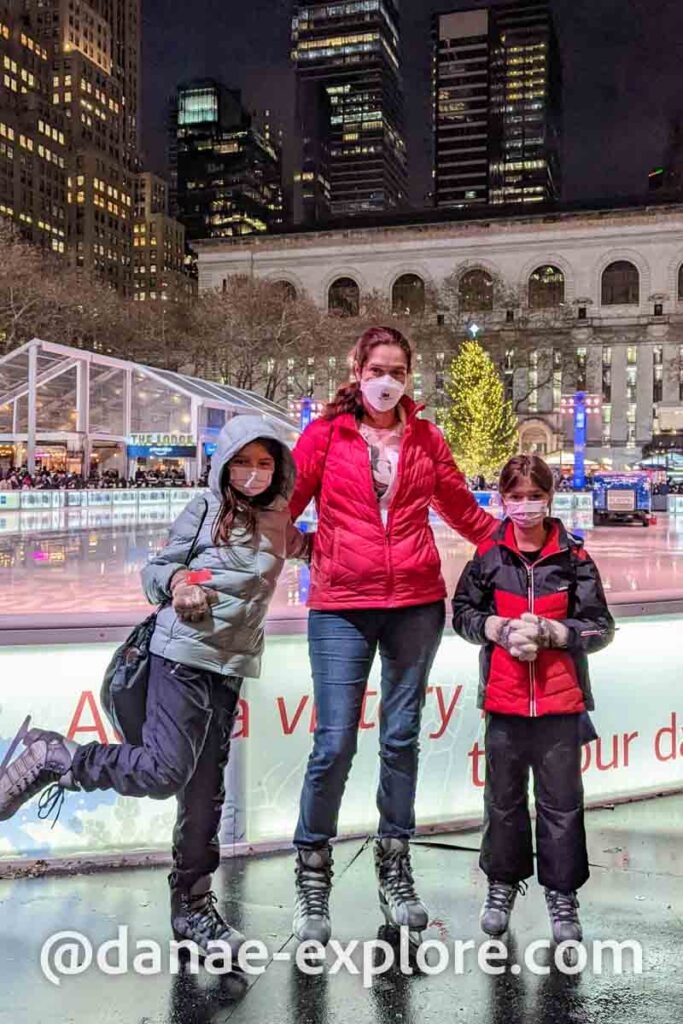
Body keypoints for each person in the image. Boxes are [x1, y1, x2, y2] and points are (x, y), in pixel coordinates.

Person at [0, 415, 310, 960]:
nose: (253, 473)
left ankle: (192, 907)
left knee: (203, 791)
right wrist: (179, 583)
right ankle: (59, 756)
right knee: (168, 771)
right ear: (224, 465)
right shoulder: (205, 511)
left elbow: (309, 548)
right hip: (180, 657)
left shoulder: (279, 521)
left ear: (278, 469)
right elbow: (155, 572)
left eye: (264, 463)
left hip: (230, 667)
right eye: (243, 461)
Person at [288, 325, 497, 947]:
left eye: (398, 371)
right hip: (341, 606)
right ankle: (313, 866)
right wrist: (307, 548)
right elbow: (284, 501)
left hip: (414, 603)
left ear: (409, 377)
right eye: (377, 368)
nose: (387, 381)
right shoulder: (326, 433)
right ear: (356, 370)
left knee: (401, 737)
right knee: (334, 743)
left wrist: (527, 546)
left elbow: (463, 507)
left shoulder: (426, 437)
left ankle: (394, 857)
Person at [452, 454, 614, 944]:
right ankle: (501, 884)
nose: (525, 506)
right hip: (503, 703)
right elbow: (462, 612)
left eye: (534, 496)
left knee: (562, 803)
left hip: (560, 705)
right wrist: (493, 627)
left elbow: (600, 627)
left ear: (550, 497)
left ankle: (562, 896)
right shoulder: (488, 556)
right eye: (516, 497)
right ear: (502, 500)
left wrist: (557, 633)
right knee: (501, 801)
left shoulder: (574, 558)